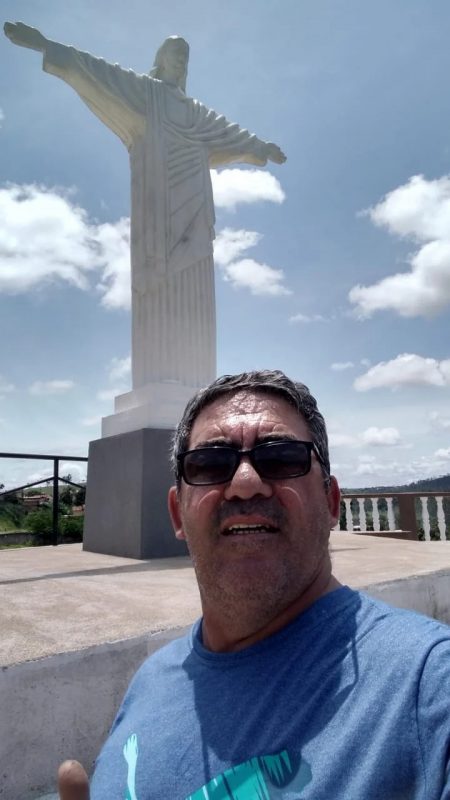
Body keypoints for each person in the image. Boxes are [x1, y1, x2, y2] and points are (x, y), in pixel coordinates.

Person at [59, 369, 449, 799]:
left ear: (331, 502)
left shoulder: (428, 683)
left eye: (281, 458)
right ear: (177, 515)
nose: (245, 484)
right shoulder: (150, 681)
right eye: (210, 464)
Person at [4, 23, 286, 392]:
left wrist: (261, 148)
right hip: (158, 215)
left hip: (196, 213)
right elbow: (98, 72)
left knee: (195, 288)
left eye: (186, 55)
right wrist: (47, 46)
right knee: (160, 289)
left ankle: (197, 388)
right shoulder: (144, 94)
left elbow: (229, 132)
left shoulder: (197, 113)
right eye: (175, 53)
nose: (181, 60)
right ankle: (160, 383)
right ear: (161, 59)